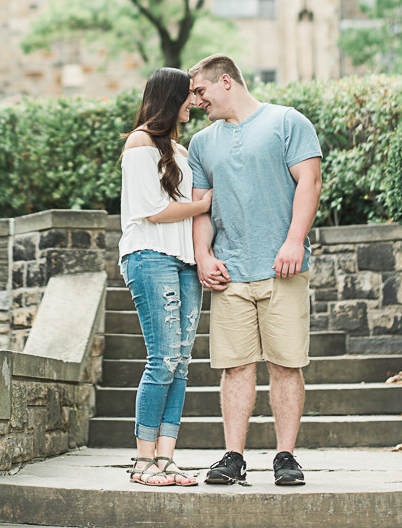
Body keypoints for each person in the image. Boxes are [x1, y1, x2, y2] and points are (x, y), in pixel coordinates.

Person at [188, 54, 322, 488]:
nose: (196, 101)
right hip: (231, 273)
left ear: (225, 81)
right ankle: (233, 456)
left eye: (201, 91)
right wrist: (203, 255)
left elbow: (310, 181)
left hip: (282, 267)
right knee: (235, 367)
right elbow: (202, 206)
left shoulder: (287, 122)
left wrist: (293, 241)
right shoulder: (202, 144)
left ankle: (286, 457)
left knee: (286, 364)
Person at [119, 67, 214, 487]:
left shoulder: (182, 150)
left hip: (185, 262)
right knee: (161, 360)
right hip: (149, 257)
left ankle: (166, 459)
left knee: (181, 364)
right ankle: (141, 462)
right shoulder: (140, 142)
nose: (194, 102)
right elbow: (154, 211)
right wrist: (206, 203)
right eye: (188, 95)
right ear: (169, 97)